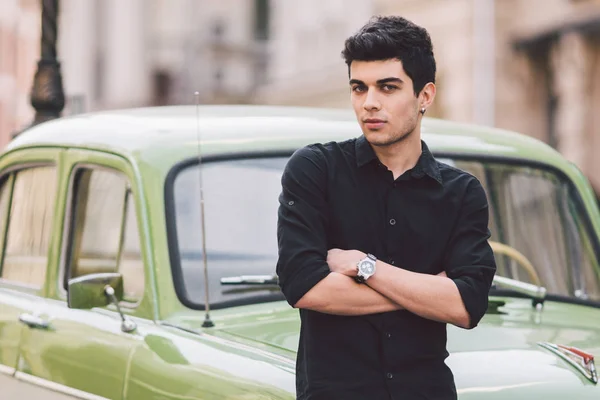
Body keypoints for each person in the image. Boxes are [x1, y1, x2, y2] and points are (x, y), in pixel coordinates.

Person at [276, 15, 497, 400]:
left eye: (388, 87)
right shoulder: (315, 170)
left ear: (425, 96)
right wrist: (431, 293)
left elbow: (467, 306)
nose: (369, 103)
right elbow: (303, 286)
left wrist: (367, 267)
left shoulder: (462, 193)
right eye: (358, 88)